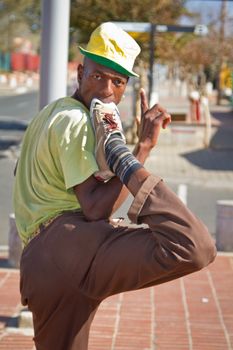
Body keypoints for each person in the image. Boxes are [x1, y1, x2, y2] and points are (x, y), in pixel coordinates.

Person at [13, 22, 216, 350]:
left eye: (117, 81)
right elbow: (95, 208)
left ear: (125, 89)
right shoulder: (75, 121)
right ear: (80, 74)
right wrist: (143, 149)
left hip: (41, 265)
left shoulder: (51, 113)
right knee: (192, 245)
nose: (106, 90)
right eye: (97, 76)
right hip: (68, 249)